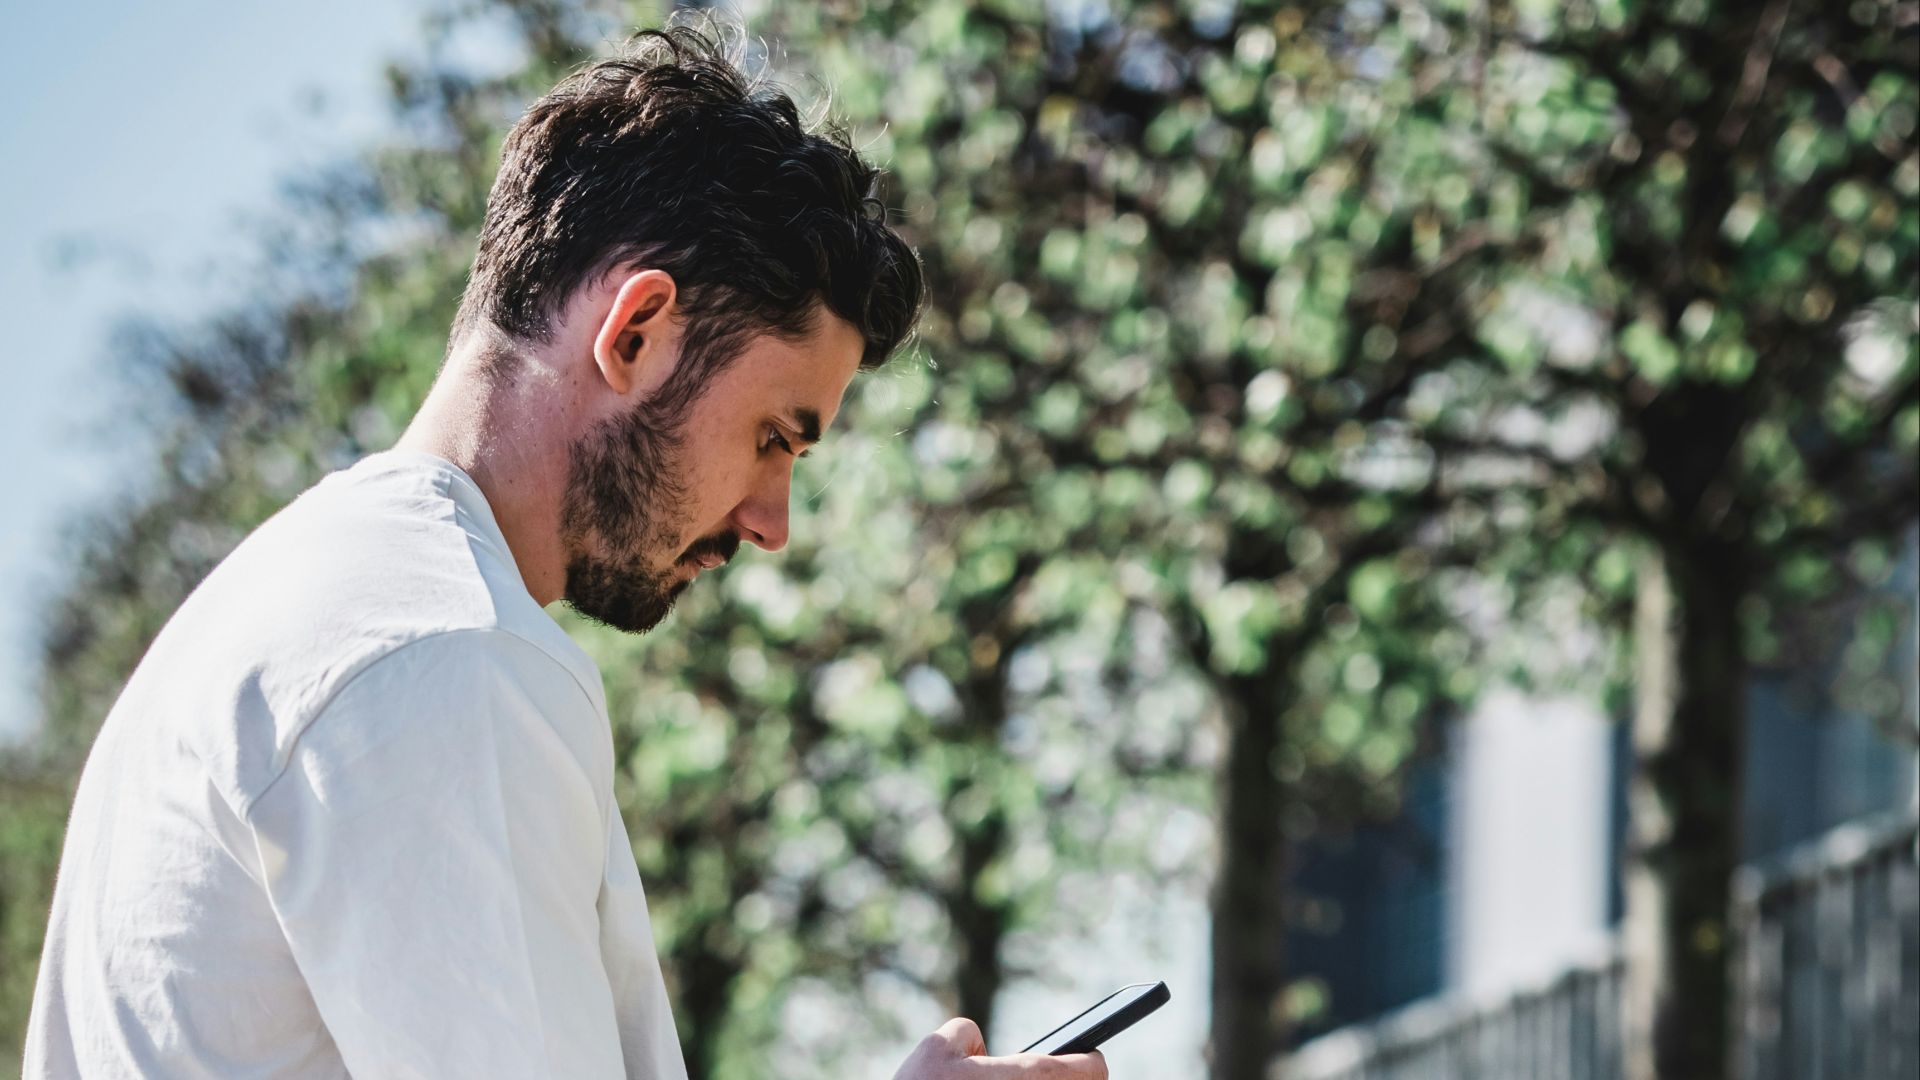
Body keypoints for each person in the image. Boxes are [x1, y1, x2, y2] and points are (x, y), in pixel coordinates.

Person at [23, 24, 1105, 1080]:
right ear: (636, 330)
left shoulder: (292, 599)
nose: (773, 521)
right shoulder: (442, 658)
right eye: (775, 437)